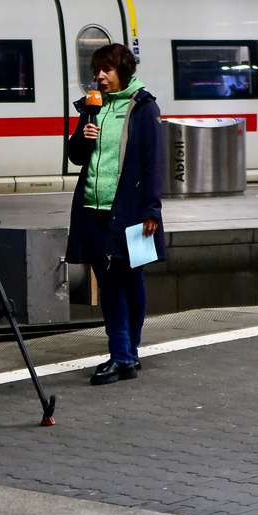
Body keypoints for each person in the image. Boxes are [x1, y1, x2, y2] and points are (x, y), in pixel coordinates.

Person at [65, 42, 165, 386]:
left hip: (131, 213)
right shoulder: (92, 108)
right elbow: (76, 156)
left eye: (106, 70)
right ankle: (124, 355)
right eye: (96, 71)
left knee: (131, 280)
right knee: (110, 283)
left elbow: (154, 163)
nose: (100, 77)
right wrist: (83, 136)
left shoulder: (144, 108)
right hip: (94, 211)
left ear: (123, 71)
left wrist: (152, 208)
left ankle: (126, 354)